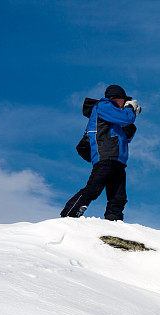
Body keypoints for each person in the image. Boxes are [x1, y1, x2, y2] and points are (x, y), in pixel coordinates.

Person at [61, 84, 141, 221]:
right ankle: (69, 215)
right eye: (124, 100)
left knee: (118, 196)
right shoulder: (103, 105)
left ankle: (114, 222)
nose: (125, 103)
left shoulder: (115, 116)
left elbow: (127, 135)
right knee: (93, 189)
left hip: (118, 161)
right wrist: (129, 109)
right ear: (117, 98)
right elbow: (126, 118)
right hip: (106, 157)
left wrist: (130, 116)